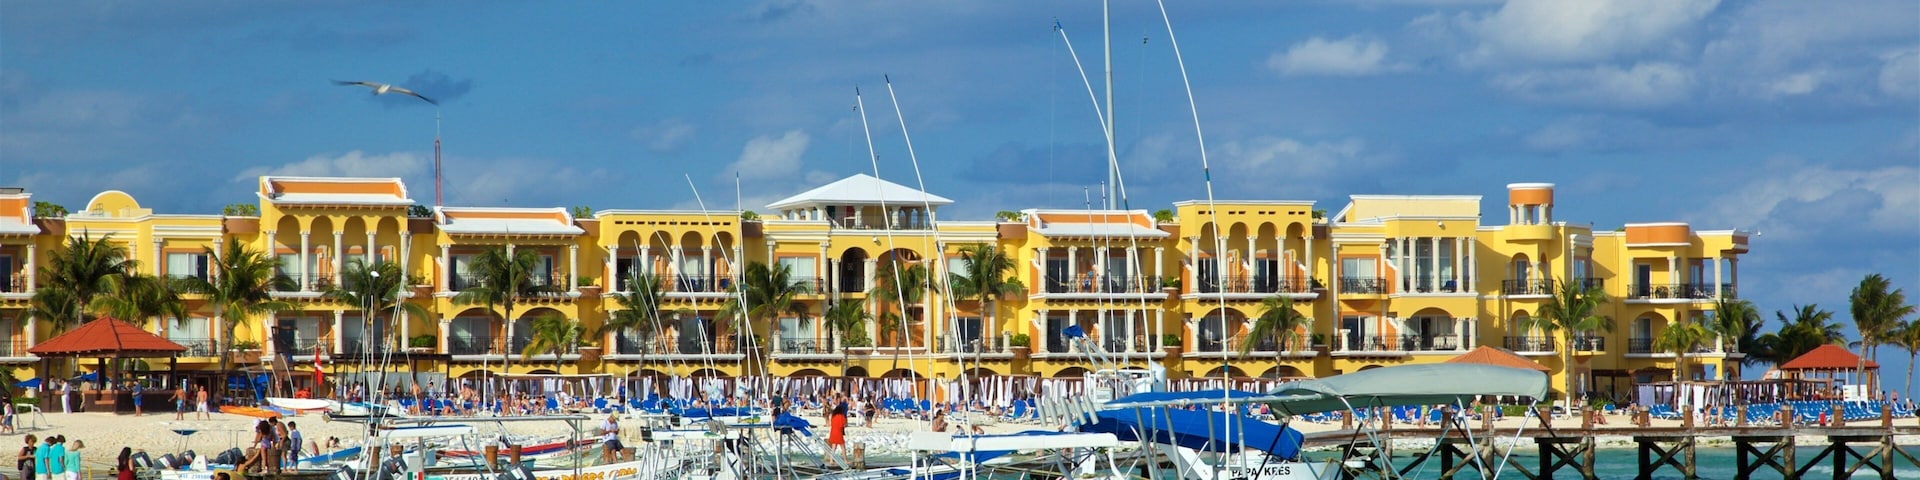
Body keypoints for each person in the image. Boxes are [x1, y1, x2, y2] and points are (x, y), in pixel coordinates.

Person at [826, 396, 849, 466]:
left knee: (833, 447)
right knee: (843, 447)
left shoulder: (833, 416)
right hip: (839, 432)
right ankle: (845, 460)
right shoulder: (841, 416)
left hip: (833, 432)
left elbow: (830, 423)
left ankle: (831, 460)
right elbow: (843, 425)